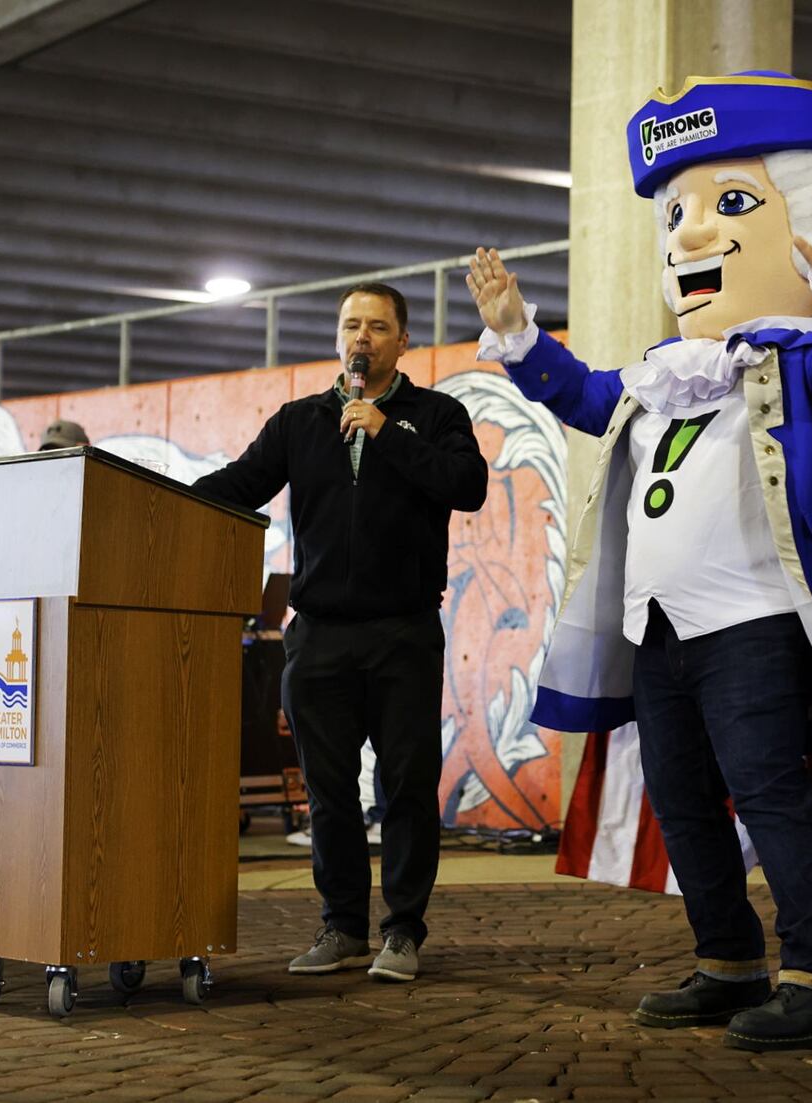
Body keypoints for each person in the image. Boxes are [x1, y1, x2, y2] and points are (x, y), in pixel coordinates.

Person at [469, 71, 812, 1052]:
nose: (689, 233)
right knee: (680, 793)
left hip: (756, 620)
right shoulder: (659, 378)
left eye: (729, 207)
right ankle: (727, 957)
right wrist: (517, 330)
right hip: (661, 625)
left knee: (768, 789)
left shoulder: (800, 360)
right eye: (677, 212)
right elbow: (582, 393)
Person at [193, 282, 488, 983]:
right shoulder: (300, 422)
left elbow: (467, 484)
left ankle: (403, 931)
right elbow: (239, 483)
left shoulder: (435, 414)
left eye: (379, 326)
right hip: (318, 634)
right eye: (352, 325)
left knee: (408, 786)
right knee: (329, 792)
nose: (363, 337)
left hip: (404, 631)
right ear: (337, 337)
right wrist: (156, 493)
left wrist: (388, 434)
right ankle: (342, 926)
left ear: (403, 341)